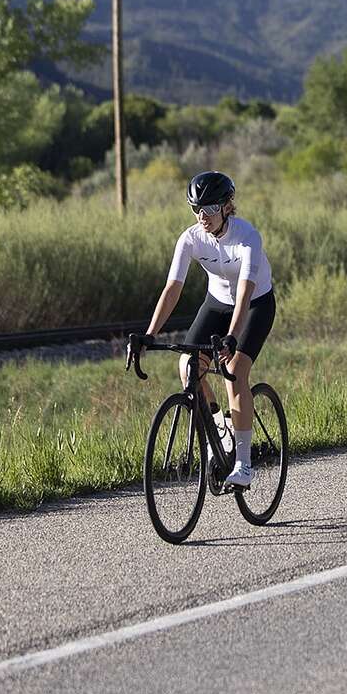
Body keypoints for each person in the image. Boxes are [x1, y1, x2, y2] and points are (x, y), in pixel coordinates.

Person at [135, 171, 274, 488]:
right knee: (187, 366)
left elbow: (245, 292)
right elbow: (172, 289)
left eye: (210, 209)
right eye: (196, 209)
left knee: (234, 369)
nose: (202, 216)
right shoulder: (191, 238)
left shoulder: (247, 236)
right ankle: (218, 428)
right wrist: (150, 334)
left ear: (227, 207)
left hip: (255, 304)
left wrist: (233, 336)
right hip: (216, 303)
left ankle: (243, 463)